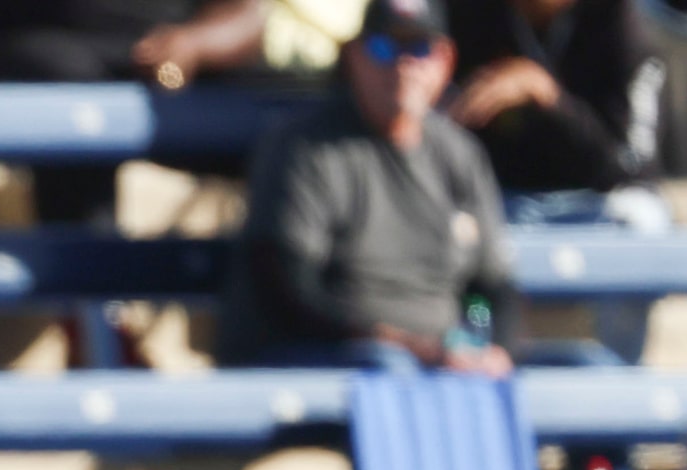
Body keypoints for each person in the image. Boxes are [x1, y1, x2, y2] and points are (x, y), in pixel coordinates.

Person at [219, 0, 524, 370]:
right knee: (388, 367)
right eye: (384, 47)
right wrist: (387, 339)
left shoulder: (458, 154)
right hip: (329, 354)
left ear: (445, 61)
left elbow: (484, 289)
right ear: (354, 57)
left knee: (583, 363)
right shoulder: (307, 148)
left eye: (419, 47)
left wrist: (483, 342)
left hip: (444, 354)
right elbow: (287, 289)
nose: (403, 63)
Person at [446, 0, 664, 358]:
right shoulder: (473, 14)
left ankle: (625, 376)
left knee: (642, 221)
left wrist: (548, 97)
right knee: (457, 231)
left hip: (596, 203)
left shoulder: (620, 22)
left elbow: (626, 162)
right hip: (504, 201)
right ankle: (478, 351)